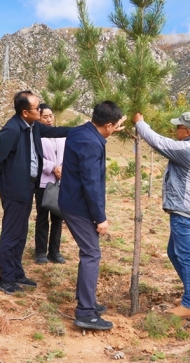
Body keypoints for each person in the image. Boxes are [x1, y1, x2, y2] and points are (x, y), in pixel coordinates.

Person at [132, 111, 190, 320]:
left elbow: (159, 142)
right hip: (189, 209)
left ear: (187, 131)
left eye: (178, 127)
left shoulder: (188, 149)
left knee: (186, 257)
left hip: (183, 211)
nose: (175, 129)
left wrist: (141, 124)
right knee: (174, 252)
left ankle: (189, 306)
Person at [0, 91, 70, 295]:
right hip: (14, 190)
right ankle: (5, 278)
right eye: (37, 109)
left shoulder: (32, 126)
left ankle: (16, 272)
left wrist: (88, 129)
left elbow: (55, 131)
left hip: (27, 187)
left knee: (21, 232)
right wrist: (0, 183)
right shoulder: (12, 129)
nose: (40, 111)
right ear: (25, 112)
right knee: (11, 233)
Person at [58, 101, 125, 330]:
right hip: (79, 206)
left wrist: (112, 128)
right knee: (91, 254)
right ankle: (85, 312)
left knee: (90, 252)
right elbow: (91, 183)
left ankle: (87, 302)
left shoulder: (82, 131)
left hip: (71, 200)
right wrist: (100, 218)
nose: (115, 129)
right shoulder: (90, 143)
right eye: (114, 125)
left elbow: (102, 131)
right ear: (108, 124)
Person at [34, 104, 66, 265]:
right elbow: (36, 158)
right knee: (42, 217)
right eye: (44, 116)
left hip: (60, 182)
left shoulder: (60, 135)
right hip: (43, 182)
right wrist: (52, 168)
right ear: (38, 118)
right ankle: (40, 252)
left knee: (58, 217)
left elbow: (68, 155)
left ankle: (55, 251)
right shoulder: (36, 135)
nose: (48, 119)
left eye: (50, 116)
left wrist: (62, 168)